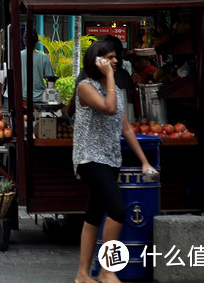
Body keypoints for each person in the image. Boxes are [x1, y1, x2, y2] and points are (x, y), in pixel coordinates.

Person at [72, 36, 153, 283]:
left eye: (115, 58)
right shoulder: (85, 87)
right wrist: (108, 77)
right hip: (90, 158)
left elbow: (125, 128)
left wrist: (144, 161)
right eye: (109, 58)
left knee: (93, 215)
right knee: (118, 209)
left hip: (110, 159)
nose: (115, 61)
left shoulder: (115, 90)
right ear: (96, 61)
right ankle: (107, 270)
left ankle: (82, 274)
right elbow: (107, 108)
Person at [20, 31, 56, 103]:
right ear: (37, 41)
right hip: (40, 100)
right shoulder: (43, 58)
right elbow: (51, 80)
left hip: (22, 99)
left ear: (24, 40)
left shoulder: (18, 56)